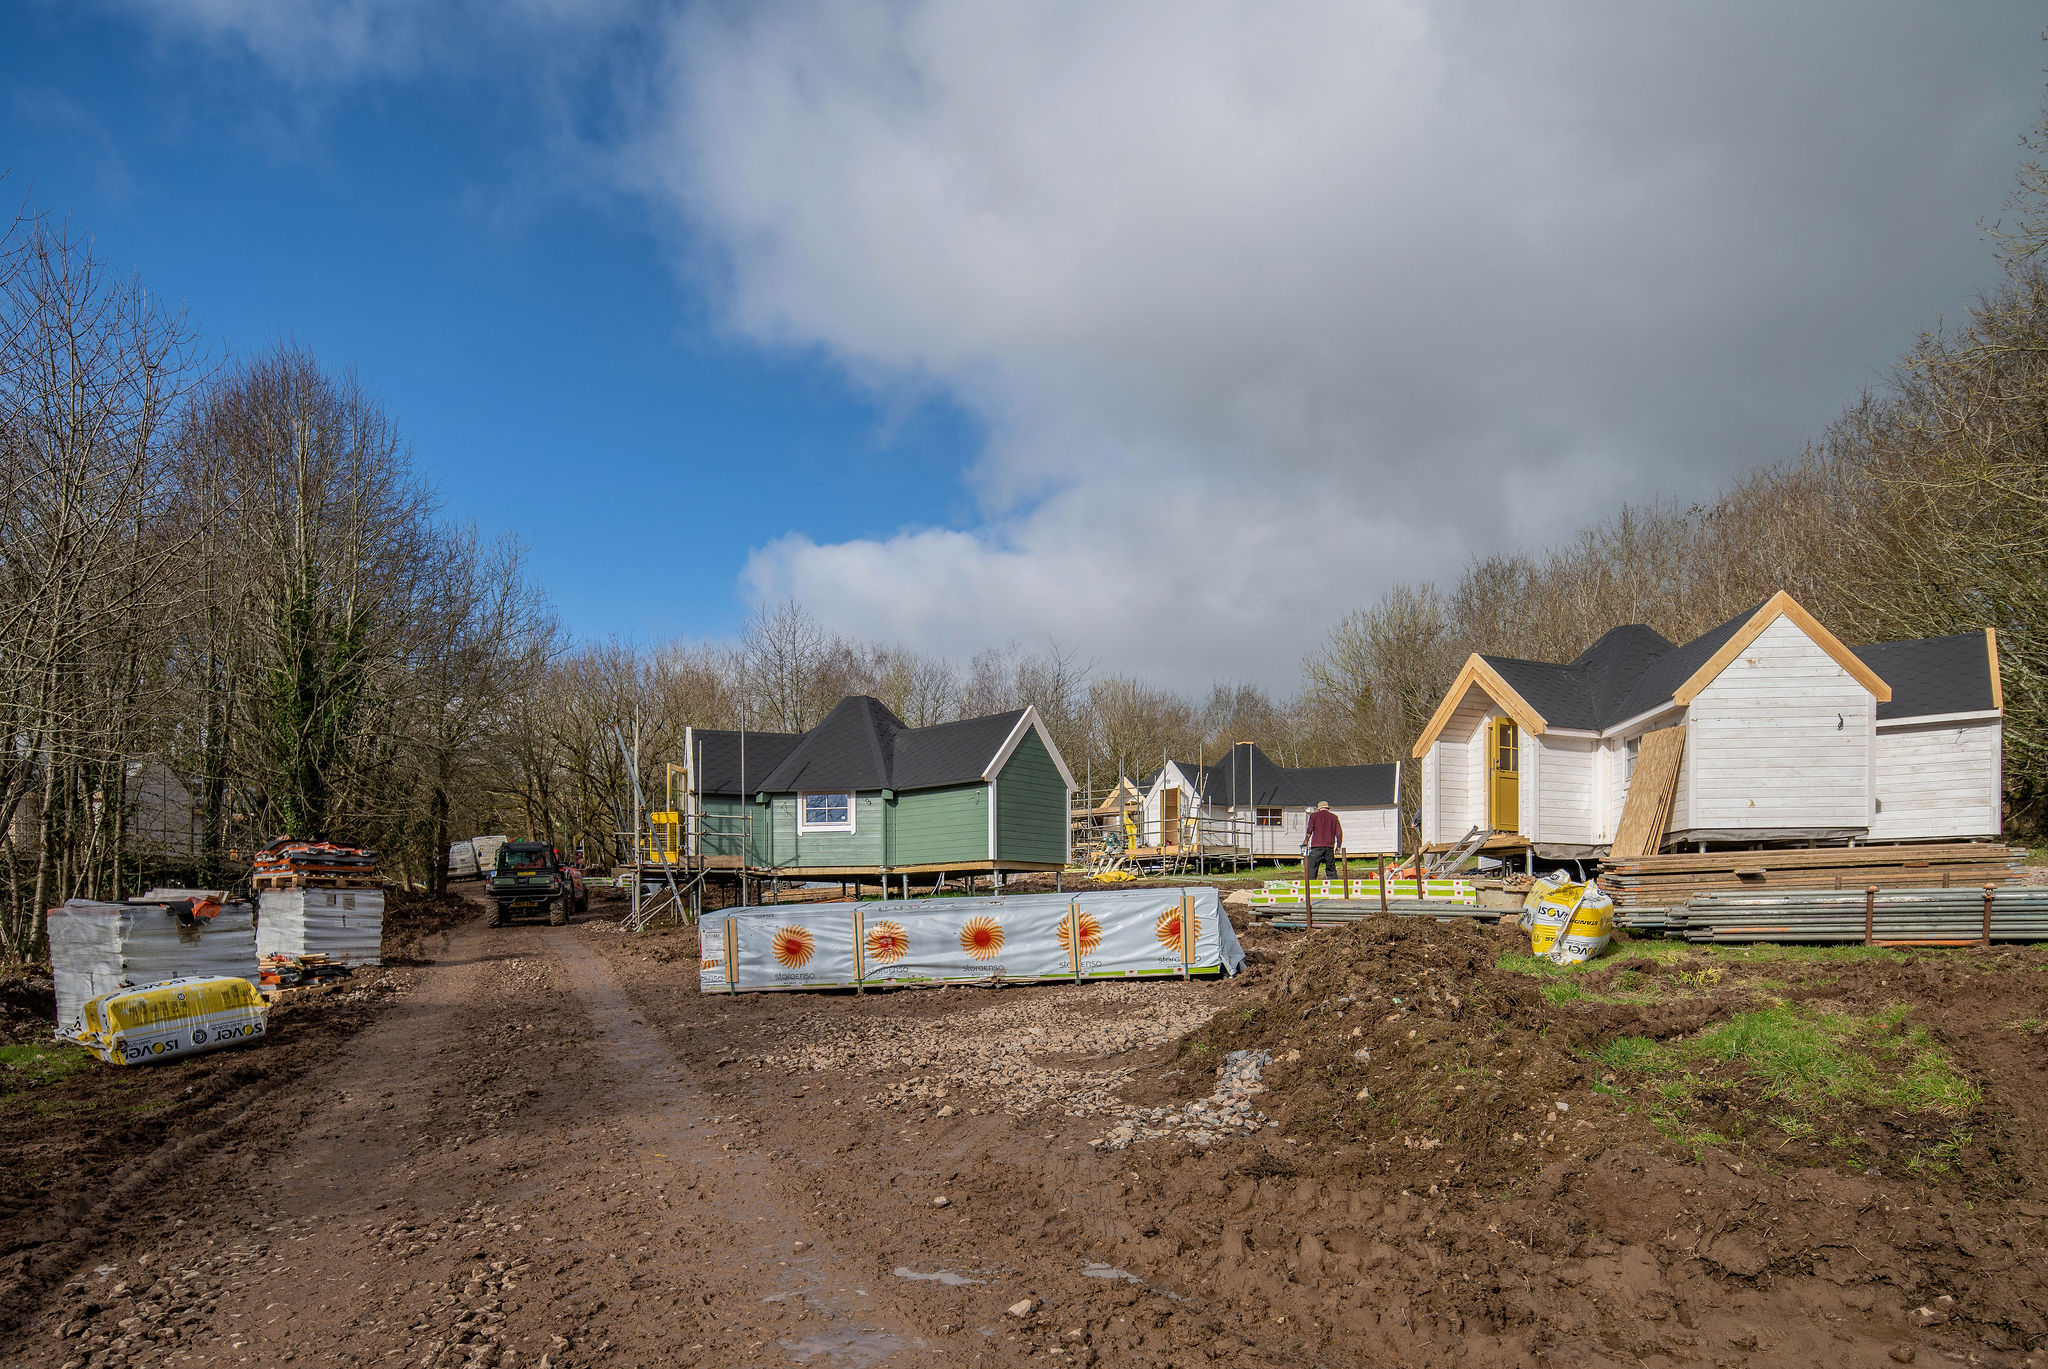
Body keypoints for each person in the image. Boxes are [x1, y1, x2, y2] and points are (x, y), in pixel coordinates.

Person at [1303, 801, 1343, 881]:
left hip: (1316, 846)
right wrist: (1338, 846)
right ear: (1328, 808)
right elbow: (1339, 832)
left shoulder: (1313, 816)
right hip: (1329, 846)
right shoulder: (1334, 817)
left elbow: (1310, 829)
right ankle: (1333, 884)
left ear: (1319, 809)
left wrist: (1306, 840)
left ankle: (1311, 884)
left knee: (1312, 866)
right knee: (1330, 866)